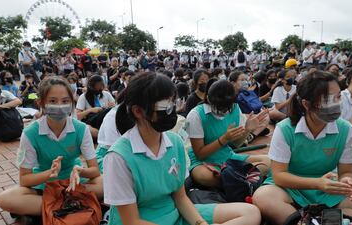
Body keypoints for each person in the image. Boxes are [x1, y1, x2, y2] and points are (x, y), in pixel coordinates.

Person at [103, 72, 261, 225]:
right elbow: (131, 221)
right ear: (138, 111)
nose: (171, 110)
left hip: (175, 213)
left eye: (173, 103)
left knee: (251, 213)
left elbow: (181, 198)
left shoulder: (174, 142)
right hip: (142, 220)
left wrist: (201, 223)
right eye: (165, 106)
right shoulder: (118, 157)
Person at [253, 71, 352, 225]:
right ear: (306, 104)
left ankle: (308, 219)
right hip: (290, 188)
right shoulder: (285, 129)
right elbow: (279, 175)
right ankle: (319, 219)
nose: (336, 104)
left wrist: (348, 183)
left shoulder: (346, 129)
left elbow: (347, 171)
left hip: (327, 189)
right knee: (264, 197)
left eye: (338, 97)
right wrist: (316, 183)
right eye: (327, 100)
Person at [0, 76, 102, 219]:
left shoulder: (81, 129)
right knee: (5, 199)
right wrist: (49, 173)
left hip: (75, 183)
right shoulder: (30, 133)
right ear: (41, 103)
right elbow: (25, 179)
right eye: (52, 101)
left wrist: (81, 171)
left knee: (108, 184)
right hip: (44, 186)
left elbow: (95, 170)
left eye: (65, 101)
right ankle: (73, 205)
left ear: (71, 103)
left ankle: (49, 208)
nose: (59, 106)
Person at [186, 79, 270, 188]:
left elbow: (236, 144)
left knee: (268, 162)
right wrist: (224, 139)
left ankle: (236, 180)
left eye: (227, 108)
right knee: (204, 176)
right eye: (219, 107)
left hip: (227, 157)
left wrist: (247, 130)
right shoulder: (196, 115)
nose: (223, 112)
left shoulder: (235, 108)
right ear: (208, 99)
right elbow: (200, 154)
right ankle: (244, 179)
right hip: (202, 162)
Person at [229, 71, 271, 143]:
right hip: (234, 122)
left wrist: (261, 112)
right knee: (257, 118)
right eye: (242, 80)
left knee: (265, 116)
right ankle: (255, 131)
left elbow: (254, 107)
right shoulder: (228, 96)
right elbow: (231, 115)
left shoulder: (246, 93)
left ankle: (251, 136)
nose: (245, 82)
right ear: (233, 83)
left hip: (246, 118)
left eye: (246, 80)